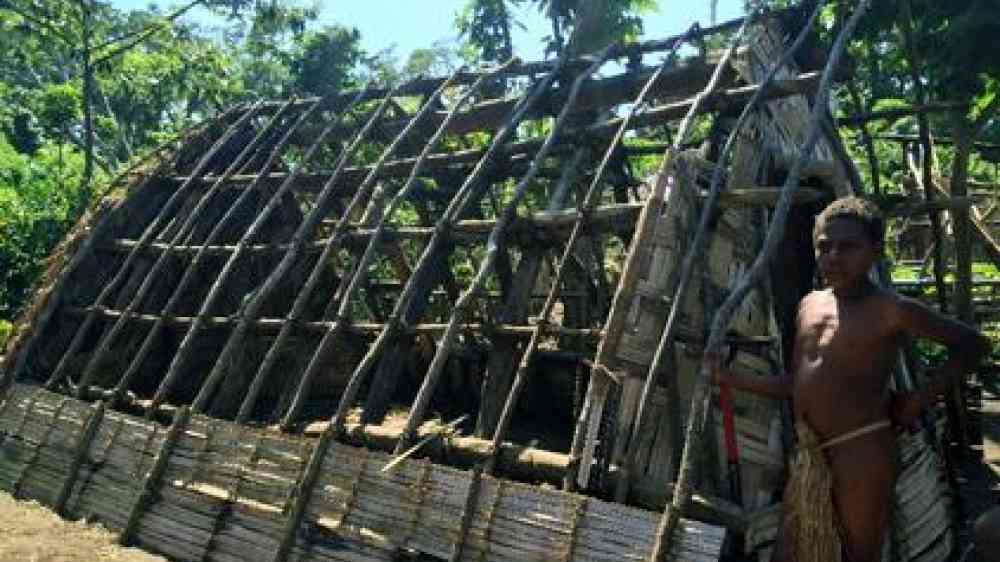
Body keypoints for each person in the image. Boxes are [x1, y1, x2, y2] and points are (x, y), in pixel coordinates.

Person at [708, 196, 991, 562]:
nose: (834, 257)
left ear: (876, 251)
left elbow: (974, 345)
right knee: (791, 551)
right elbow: (797, 384)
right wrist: (729, 379)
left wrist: (918, 399)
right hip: (810, 454)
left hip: (860, 450)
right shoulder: (809, 305)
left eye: (848, 247)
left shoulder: (892, 310)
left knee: (858, 554)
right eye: (824, 247)